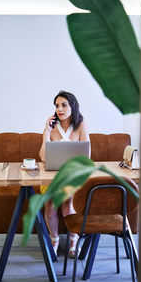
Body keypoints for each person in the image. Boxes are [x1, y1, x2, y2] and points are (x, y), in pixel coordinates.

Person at [39, 90, 90, 257]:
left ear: (72, 106)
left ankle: (73, 241)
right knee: (50, 205)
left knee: (69, 204)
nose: (59, 109)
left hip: (73, 176)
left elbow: (86, 156)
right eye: (57, 106)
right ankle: (54, 240)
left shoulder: (81, 125)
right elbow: (43, 157)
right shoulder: (52, 128)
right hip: (53, 177)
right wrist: (46, 132)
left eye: (63, 105)